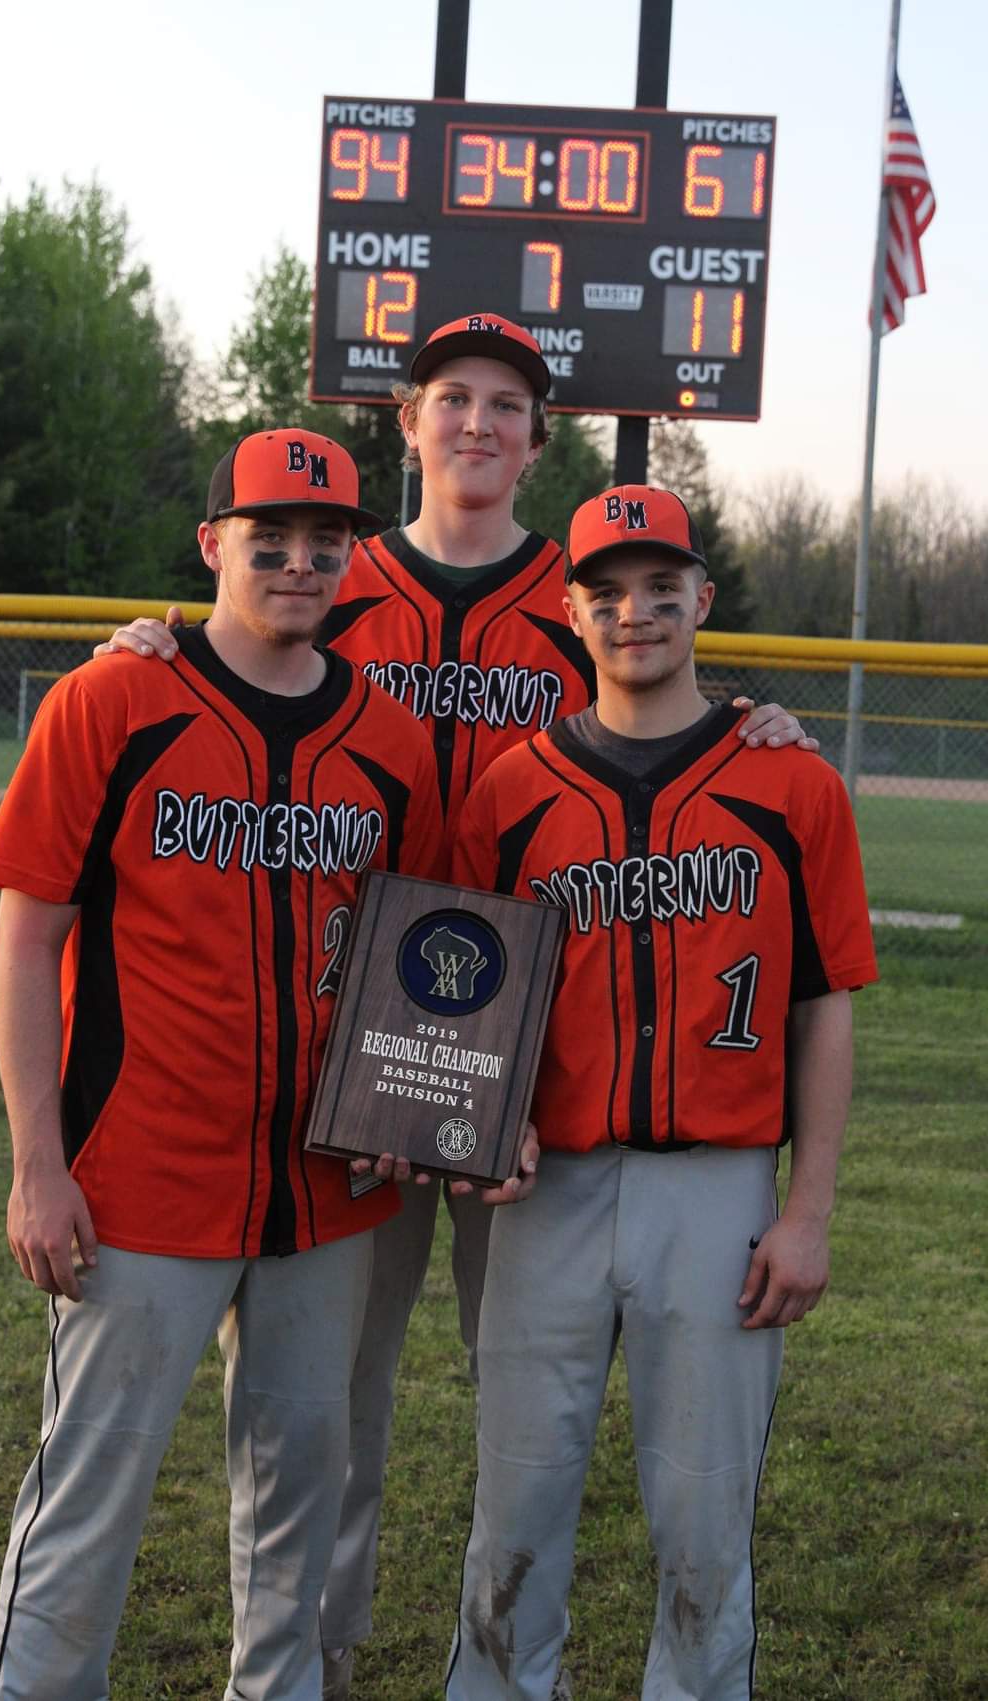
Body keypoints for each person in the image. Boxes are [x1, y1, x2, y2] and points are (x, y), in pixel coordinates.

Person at [94, 317, 816, 1701]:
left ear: (539, 441)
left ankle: (501, 1650)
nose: (477, 425)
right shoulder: (328, 573)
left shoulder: (576, 593)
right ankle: (315, 1659)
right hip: (340, 1046)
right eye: (450, 401)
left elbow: (659, 689)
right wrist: (155, 637)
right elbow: (233, 654)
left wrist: (758, 719)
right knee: (330, 1403)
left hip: (530, 1058)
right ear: (406, 426)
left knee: (523, 1390)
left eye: (505, 405)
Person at [0, 430, 448, 1701]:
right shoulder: (112, 700)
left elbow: (421, 957)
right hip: (138, 1178)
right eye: (270, 539)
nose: (300, 564)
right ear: (212, 545)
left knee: (301, 1503)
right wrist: (39, 1169)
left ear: (354, 559)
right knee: (87, 1497)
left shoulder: (389, 741)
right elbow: (26, 946)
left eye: (326, 544)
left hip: (327, 1188)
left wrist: (414, 1104)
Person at [443, 483, 878, 1701]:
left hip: (722, 1191)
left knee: (703, 1520)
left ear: (702, 596)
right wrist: (487, 1115)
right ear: (571, 610)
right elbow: (471, 988)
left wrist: (809, 1211)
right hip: (551, 1193)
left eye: (659, 585)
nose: (636, 611)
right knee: (514, 1508)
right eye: (607, 591)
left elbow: (824, 1004)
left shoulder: (792, 782)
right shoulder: (511, 790)